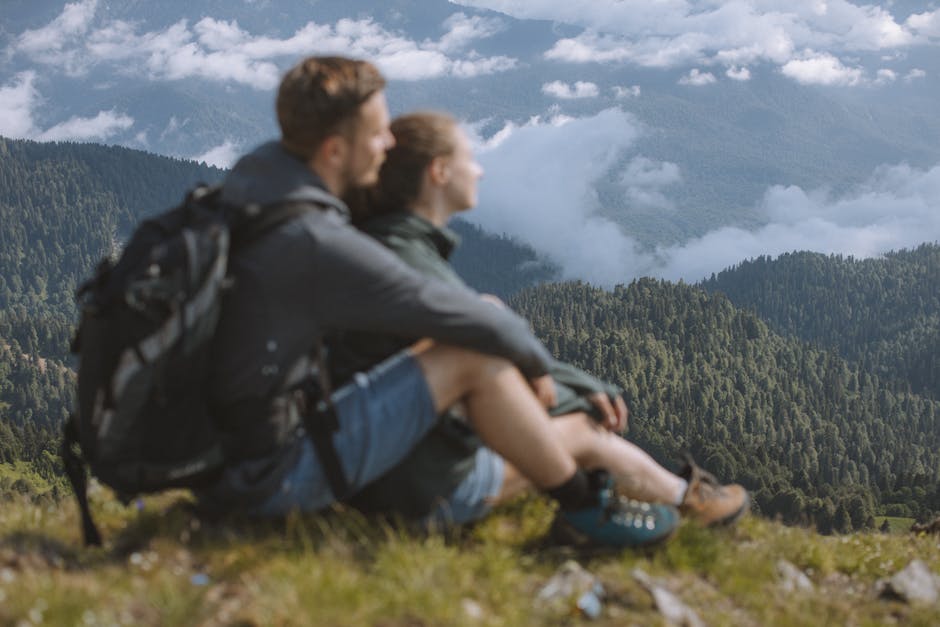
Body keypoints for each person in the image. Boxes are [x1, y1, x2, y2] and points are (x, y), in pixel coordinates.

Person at [197, 56, 681, 548]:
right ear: (336, 149)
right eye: (378, 133)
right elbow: (462, 318)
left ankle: (666, 498)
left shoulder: (258, 185)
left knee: (479, 327)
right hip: (269, 475)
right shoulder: (318, 242)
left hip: (233, 455)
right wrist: (541, 367)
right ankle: (586, 509)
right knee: (470, 348)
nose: (387, 145)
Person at [335, 111, 749, 530]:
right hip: (412, 492)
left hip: (378, 466)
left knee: (493, 313)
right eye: (469, 158)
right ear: (439, 172)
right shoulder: (406, 260)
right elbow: (485, 346)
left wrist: (563, 381)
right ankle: (690, 505)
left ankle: (676, 497)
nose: (479, 170)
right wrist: (574, 390)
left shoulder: (388, 246)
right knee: (584, 430)